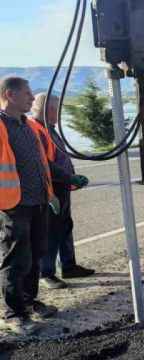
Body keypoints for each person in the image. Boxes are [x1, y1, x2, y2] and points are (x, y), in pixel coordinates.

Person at [0, 77, 60, 335]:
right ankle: (13, 313)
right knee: (15, 260)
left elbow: (42, 162)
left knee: (36, 255)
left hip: (38, 201)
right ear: (9, 95)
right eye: (27, 93)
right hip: (13, 204)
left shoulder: (28, 126)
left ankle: (28, 301)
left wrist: (55, 189)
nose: (32, 98)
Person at [30, 93, 93, 290]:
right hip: (51, 188)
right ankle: (46, 273)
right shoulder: (37, 129)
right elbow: (45, 163)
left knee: (65, 226)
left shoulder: (51, 129)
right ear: (45, 109)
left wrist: (71, 177)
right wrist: (69, 177)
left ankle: (69, 265)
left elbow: (59, 157)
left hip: (62, 185)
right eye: (55, 109)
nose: (58, 113)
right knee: (51, 231)